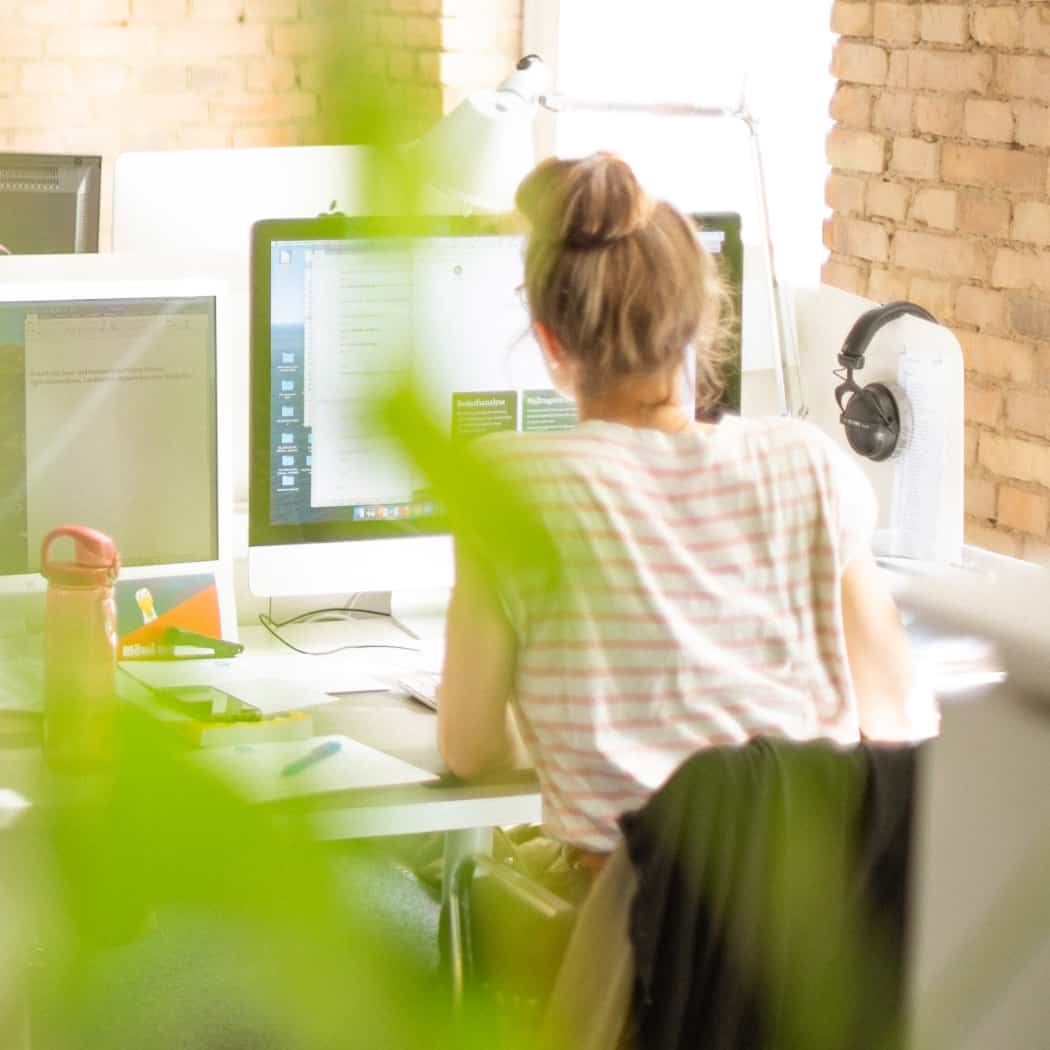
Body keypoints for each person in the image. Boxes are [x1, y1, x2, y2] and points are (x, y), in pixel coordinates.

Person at [436, 151, 933, 870]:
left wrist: (548, 730)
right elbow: (895, 716)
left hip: (627, 947)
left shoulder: (510, 486)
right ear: (699, 320)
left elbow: (470, 750)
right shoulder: (810, 463)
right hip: (812, 947)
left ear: (549, 342)